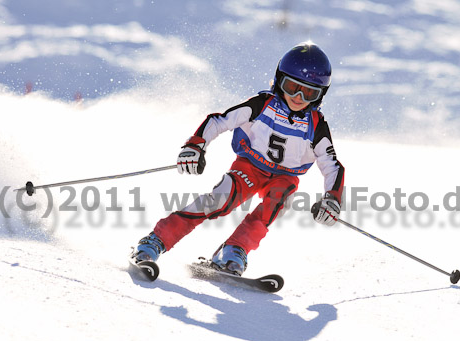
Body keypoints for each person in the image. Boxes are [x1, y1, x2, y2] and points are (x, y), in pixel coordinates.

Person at [131, 42, 345, 276]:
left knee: (278, 202)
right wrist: (196, 146)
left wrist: (331, 200)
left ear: (320, 95)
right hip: (250, 167)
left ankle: (233, 250)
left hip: (285, 177)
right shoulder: (262, 105)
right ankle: (156, 240)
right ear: (279, 80)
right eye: (292, 86)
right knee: (221, 201)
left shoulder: (316, 125)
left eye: (309, 92)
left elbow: (332, 166)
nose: (298, 96)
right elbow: (218, 121)